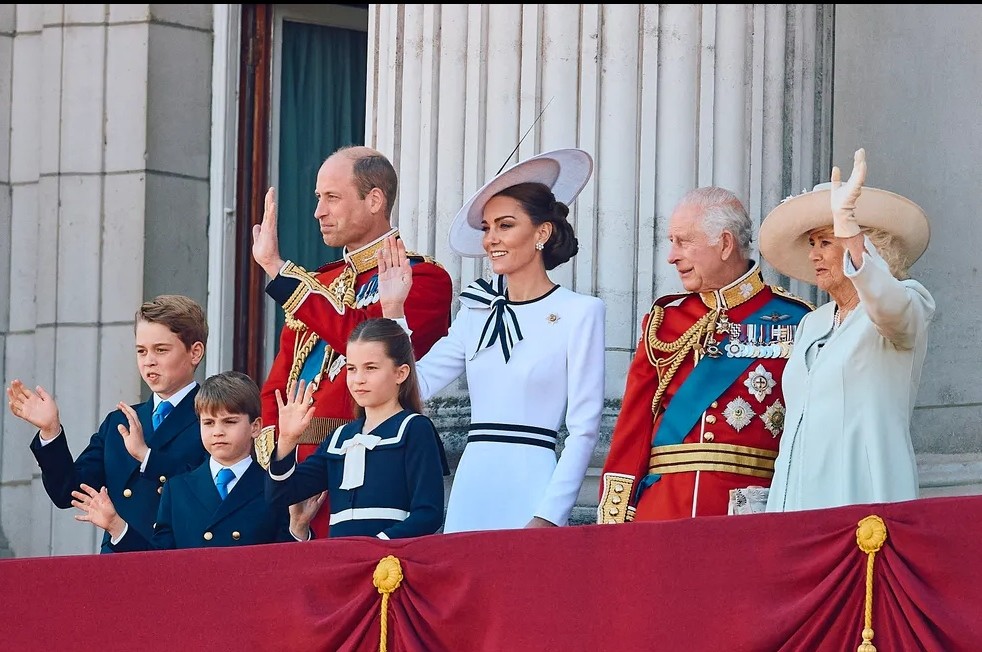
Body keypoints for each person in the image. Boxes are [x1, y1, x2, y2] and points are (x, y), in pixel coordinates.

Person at [378, 148, 606, 533]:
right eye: (486, 228)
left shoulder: (581, 312)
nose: (491, 239)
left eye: (504, 225)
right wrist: (394, 309)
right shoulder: (476, 309)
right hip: (473, 485)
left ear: (542, 232)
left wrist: (550, 514)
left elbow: (585, 429)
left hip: (534, 485)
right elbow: (417, 383)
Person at [251, 145, 454, 537]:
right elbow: (280, 381)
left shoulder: (423, 278)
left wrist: (278, 270)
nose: (318, 212)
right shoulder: (318, 283)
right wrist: (281, 449)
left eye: (332, 197)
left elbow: (364, 340)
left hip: (369, 466)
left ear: (374, 199)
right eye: (317, 198)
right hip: (297, 473)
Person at [597, 187, 814, 524]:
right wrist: (615, 521)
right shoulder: (664, 321)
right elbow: (633, 431)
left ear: (725, 244)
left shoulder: (798, 320)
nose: (671, 256)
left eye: (683, 242)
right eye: (671, 241)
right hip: (662, 514)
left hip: (750, 515)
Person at [760, 148, 935, 512]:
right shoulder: (813, 323)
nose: (814, 254)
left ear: (868, 244)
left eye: (826, 242)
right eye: (812, 244)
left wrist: (849, 232)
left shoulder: (907, 303)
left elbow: (890, 307)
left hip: (862, 500)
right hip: (795, 506)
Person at [7, 295, 211, 553]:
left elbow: (208, 493)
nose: (148, 360)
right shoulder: (120, 422)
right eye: (141, 351)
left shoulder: (212, 420)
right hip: (117, 565)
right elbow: (67, 492)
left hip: (179, 564)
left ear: (195, 352)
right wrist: (51, 431)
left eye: (161, 350)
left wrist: (147, 457)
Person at [69, 371, 324, 550]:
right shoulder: (177, 488)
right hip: (192, 615)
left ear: (256, 426)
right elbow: (158, 563)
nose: (218, 431)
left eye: (230, 421)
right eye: (208, 423)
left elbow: (284, 569)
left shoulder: (273, 488)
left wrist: (298, 528)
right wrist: (116, 526)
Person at [266, 318, 449, 539]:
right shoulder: (339, 438)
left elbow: (429, 513)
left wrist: (377, 546)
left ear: (401, 373)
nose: (358, 380)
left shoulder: (414, 429)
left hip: (392, 564)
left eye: (370, 368)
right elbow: (280, 496)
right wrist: (286, 440)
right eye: (351, 369)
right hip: (342, 561)